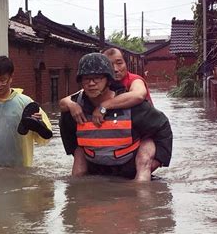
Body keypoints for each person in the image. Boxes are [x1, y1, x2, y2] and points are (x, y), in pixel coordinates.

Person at [59, 53, 172, 181]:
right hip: (95, 164)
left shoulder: (131, 105)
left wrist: (156, 161)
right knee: (78, 160)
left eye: (97, 78)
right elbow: (68, 134)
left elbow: (162, 128)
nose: (91, 83)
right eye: (86, 79)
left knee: (147, 148)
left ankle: (142, 189)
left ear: (108, 80)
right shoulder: (75, 108)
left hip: (131, 164)